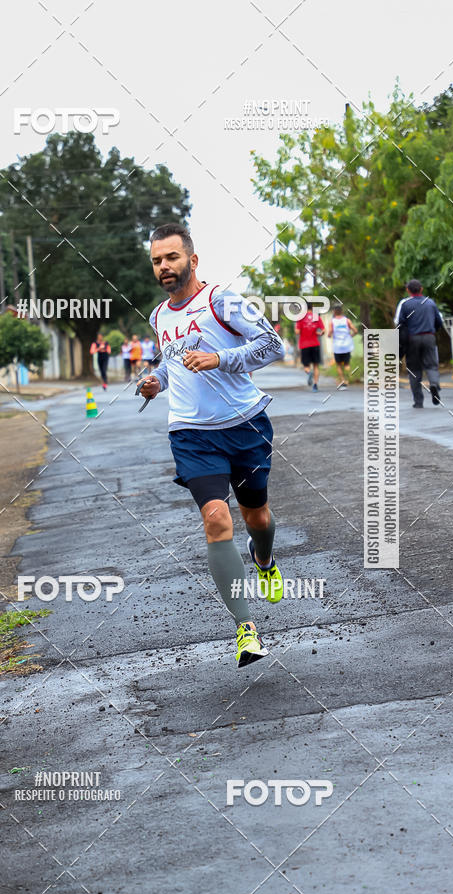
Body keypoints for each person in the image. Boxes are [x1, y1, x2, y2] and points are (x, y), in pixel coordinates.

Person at [138, 223, 286, 668]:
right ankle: (246, 632)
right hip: (190, 433)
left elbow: (273, 345)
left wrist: (221, 358)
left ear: (192, 260)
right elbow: (172, 366)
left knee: (255, 513)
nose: (164, 267)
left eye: (172, 258)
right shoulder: (159, 317)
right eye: (157, 261)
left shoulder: (223, 301)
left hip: (244, 425)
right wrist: (154, 383)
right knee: (216, 518)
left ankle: (263, 557)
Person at [398, 279, 443, 408]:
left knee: (414, 370)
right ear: (421, 289)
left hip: (413, 340)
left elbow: (401, 324)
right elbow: (438, 322)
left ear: (408, 290)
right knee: (431, 366)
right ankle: (433, 384)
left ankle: (418, 401)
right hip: (429, 337)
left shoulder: (406, 305)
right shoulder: (430, 303)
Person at [295, 302, 324, 391]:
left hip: (304, 345)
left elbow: (297, 332)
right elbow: (323, 330)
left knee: (306, 366)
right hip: (315, 344)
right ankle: (315, 385)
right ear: (313, 307)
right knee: (316, 365)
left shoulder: (300, 318)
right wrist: (318, 333)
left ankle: (309, 372)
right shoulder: (316, 317)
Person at [327, 303, 357, 388]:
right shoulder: (347, 320)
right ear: (342, 311)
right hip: (347, 345)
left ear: (334, 312)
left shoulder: (332, 322)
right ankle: (347, 379)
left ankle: (343, 380)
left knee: (339, 364)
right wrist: (350, 336)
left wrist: (329, 335)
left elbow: (329, 333)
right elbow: (355, 330)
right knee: (347, 364)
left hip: (337, 347)